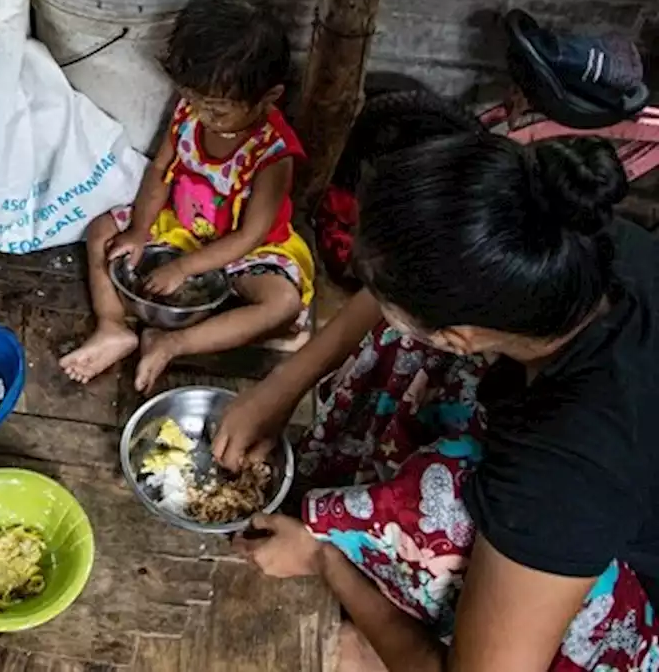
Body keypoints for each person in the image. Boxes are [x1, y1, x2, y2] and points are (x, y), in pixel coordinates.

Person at [218, 133, 659, 672]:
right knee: (398, 341)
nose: (369, 291)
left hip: (635, 599)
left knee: (442, 489)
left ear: (463, 334)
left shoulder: (560, 477)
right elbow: (397, 288)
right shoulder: (559, 233)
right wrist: (280, 388)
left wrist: (326, 560)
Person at [60, 0, 315, 393]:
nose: (200, 114)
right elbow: (160, 170)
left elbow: (250, 235)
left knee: (282, 304)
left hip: (246, 251)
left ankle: (173, 341)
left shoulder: (273, 154)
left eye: (216, 108)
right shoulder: (188, 114)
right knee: (101, 232)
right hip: (181, 226)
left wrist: (182, 268)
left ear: (269, 98)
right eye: (192, 98)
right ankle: (112, 326)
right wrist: (140, 230)